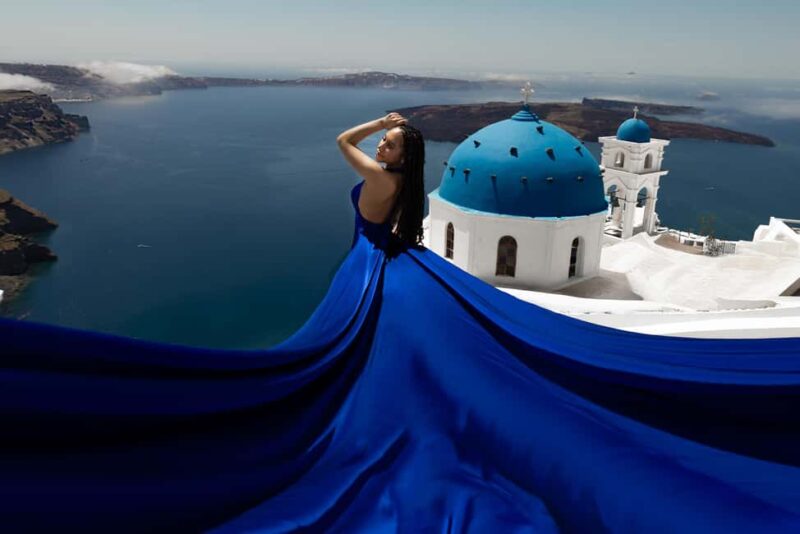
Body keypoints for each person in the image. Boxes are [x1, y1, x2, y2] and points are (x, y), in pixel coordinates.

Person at [0, 113, 799, 532]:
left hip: (370, 269)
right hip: (404, 262)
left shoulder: (377, 175)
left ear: (395, 155)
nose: (381, 141)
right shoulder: (407, 183)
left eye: (390, 140)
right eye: (387, 139)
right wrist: (404, 140)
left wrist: (376, 130)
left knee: (333, 381)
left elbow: (338, 141)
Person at [336, 112, 426, 254]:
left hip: (366, 249)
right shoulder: (404, 178)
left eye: (390, 145)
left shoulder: (382, 179)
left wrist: (382, 123)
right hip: (384, 241)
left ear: (404, 157)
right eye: (383, 138)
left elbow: (344, 141)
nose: (381, 146)